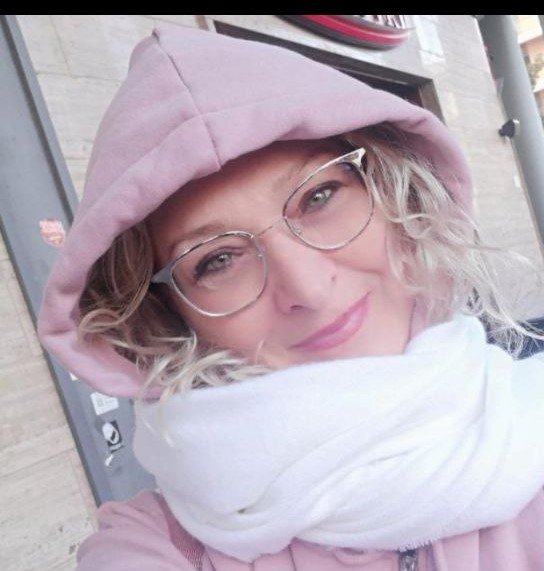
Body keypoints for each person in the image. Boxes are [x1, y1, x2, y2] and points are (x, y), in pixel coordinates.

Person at [37, 24, 544, 571]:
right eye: (217, 260)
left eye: (319, 197)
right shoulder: (155, 546)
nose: (307, 288)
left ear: (396, 192)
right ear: (169, 316)